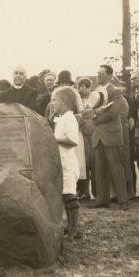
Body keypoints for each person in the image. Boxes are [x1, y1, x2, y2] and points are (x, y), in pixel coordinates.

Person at [87, 64, 128, 210]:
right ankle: (102, 200)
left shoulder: (115, 91)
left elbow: (113, 112)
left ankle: (123, 200)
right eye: (97, 74)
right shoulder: (95, 91)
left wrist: (95, 118)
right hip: (98, 136)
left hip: (112, 135)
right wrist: (93, 114)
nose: (99, 76)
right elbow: (89, 111)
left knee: (116, 167)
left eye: (102, 74)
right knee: (100, 169)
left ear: (110, 76)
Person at [52, 86, 81, 240]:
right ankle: (70, 227)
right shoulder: (62, 118)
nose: (52, 103)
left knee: (70, 195)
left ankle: (75, 229)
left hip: (68, 163)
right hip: (61, 163)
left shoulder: (70, 118)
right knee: (65, 195)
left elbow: (72, 140)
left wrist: (53, 139)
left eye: (54, 100)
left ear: (63, 101)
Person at [77, 77, 103, 199]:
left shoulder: (95, 98)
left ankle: (97, 192)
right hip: (82, 136)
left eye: (82, 87)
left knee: (94, 164)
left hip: (93, 134)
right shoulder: (79, 101)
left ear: (88, 87)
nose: (80, 89)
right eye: (79, 87)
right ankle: (85, 192)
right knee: (84, 164)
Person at [127, 71, 139, 196]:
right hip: (133, 133)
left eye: (134, 79)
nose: (132, 81)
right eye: (131, 79)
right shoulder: (132, 95)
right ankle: (132, 190)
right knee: (131, 161)